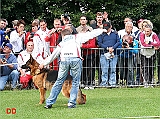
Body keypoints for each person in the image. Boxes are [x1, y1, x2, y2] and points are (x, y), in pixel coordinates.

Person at [39, 28, 107, 109]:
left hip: (64, 60)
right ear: (70, 34)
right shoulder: (77, 37)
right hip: (76, 59)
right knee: (75, 82)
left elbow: (53, 55)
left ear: (63, 36)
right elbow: (90, 34)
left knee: (59, 81)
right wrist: (101, 30)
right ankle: (71, 103)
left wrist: (44, 63)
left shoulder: (62, 43)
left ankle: (49, 103)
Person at [97, 22, 121, 87]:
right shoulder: (101, 34)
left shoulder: (115, 34)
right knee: (104, 70)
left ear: (111, 27)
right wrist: (107, 48)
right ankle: (104, 83)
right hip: (104, 54)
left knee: (113, 69)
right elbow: (99, 43)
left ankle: (112, 83)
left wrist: (113, 48)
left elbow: (118, 42)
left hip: (114, 53)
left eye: (107, 28)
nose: (106, 30)